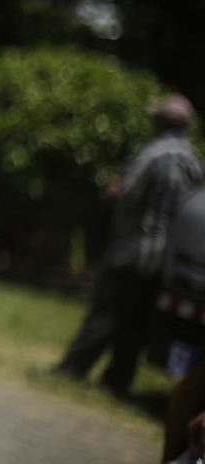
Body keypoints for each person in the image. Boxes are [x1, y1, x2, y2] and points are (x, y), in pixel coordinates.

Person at [55, 94, 203, 395]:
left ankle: (74, 367)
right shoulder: (193, 162)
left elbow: (129, 194)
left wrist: (114, 192)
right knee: (136, 322)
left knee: (106, 310)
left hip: (133, 247)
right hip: (166, 257)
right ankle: (117, 380)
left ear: (161, 121)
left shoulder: (151, 154)